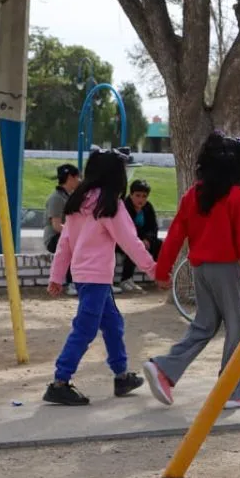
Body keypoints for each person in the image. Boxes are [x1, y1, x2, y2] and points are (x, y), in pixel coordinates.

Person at [144, 132, 240, 409]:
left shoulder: (192, 195)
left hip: (200, 268)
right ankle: (232, 390)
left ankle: (164, 368)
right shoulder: (237, 195)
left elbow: (175, 234)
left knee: (205, 324)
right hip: (225, 268)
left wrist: (163, 270)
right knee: (238, 329)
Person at [43, 150, 158, 405]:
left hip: (87, 277)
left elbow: (65, 243)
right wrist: (154, 270)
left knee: (113, 324)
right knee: (85, 329)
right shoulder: (110, 205)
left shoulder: (78, 202)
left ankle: (121, 375)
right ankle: (60, 382)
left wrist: (57, 276)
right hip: (95, 278)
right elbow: (131, 242)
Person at [117, 179, 162, 292]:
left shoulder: (148, 208)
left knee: (160, 245)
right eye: (137, 195)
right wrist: (141, 239)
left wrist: (147, 239)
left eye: (144, 196)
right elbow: (126, 228)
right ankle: (126, 279)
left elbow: (153, 227)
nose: (141, 199)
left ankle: (160, 275)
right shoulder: (124, 207)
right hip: (123, 241)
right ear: (131, 194)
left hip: (144, 240)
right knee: (134, 247)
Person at [44, 163, 81, 296]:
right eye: (78, 177)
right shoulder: (56, 198)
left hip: (64, 235)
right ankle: (71, 283)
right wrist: (77, 235)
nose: (79, 181)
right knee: (74, 245)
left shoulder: (67, 196)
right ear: (70, 177)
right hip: (54, 238)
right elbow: (56, 226)